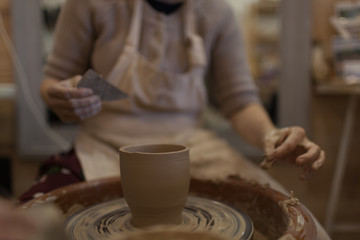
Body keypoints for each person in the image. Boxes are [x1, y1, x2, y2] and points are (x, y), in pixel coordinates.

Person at [19, 0, 328, 238]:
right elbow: (54, 79)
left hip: (192, 147)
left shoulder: (215, 11)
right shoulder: (94, 4)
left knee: (303, 227)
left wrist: (270, 136)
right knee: (27, 223)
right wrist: (63, 96)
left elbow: (240, 101)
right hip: (104, 141)